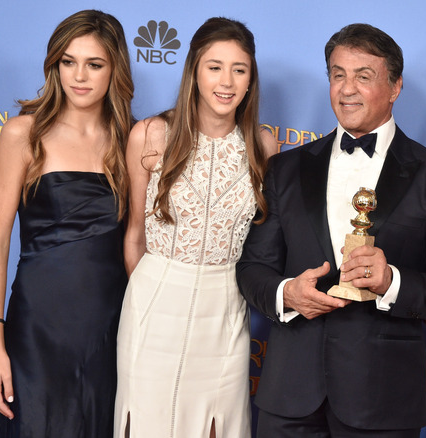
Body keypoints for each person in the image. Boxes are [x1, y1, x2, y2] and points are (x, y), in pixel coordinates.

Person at [236, 23, 426, 437]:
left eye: (363, 76)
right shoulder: (285, 170)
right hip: (289, 395)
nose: (347, 89)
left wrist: (391, 282)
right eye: (337, 74)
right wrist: (286, 294)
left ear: (395, 86)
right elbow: (252, 268)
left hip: (382, 398)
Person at [114, 17, 277, 438]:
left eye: (239, 69)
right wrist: (151, 295)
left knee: (216, 425)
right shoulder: (151, 134)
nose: (226, 81)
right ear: (194, 71)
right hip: (153, 303)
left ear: (250, 79)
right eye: (214, 66)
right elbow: (134, 235)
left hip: (224, 310)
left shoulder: (264, 145)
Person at [0, 9, 133, 437]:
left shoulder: (134, 140)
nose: (79, 76)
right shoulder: (22, 134)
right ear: (54, 65)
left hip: (110, 330)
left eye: (94, 64)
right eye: (68, 62)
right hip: (36, 330)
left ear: (114, 68)